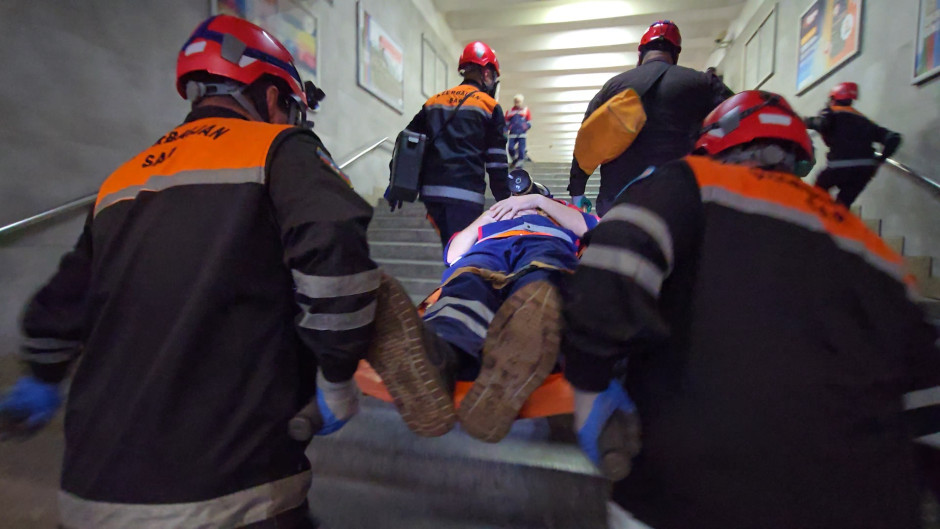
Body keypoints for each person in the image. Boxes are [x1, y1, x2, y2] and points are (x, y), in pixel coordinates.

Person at [0, 15, 377, 528]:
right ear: (270, 96)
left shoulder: (123, 179)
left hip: (92, 493)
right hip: (230, 491)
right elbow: (335, 254)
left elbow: (61, 305)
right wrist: (336, 375)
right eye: (290, 108)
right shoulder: (280, 150)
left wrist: (43, 374)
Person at [563, 90, 939, 529]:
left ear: (713, 142)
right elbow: (929, 402)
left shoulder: (690, 181)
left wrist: (589, 384)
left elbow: (610, 271)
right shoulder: (879, 254)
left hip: (687, 491)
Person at [368, 170, 598, 442]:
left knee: (541, 287)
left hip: (544, 247)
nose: (517, 202)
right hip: (486, 252)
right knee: (466, 284)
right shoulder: (493, 217)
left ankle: (518, 348)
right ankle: (439, 358)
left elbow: (593, 229)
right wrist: (489, 216)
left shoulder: (557, 210)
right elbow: (453, 255)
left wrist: (540, 202)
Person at [568, 20, 732, 216]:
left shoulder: (613, 86)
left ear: (641, 53)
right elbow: (738, 118)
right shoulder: (702, 83)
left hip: (619, 202)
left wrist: (577, 191)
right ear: (675, 54)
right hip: (679, 201)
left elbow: (587, 140)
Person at [399, 41, 511, 247]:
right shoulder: (489, 106)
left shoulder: (434, 101)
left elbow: (407, 141)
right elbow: (496, 162)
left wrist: (397, 184)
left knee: (450, 247)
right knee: (462, 254)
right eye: (493, 76)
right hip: (466, 196)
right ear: (486, 73)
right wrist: (506, 200)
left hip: (432, 195)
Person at [805, 81, 902, 207]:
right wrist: (880, 160)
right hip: (864, 169)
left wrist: (805, 121)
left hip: (839, 165)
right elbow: (893, 138)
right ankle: (837, 216)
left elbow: (822, 124)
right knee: (842, 206)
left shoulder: (831, 112)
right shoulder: (865, 120)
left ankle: (814, 214)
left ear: (834, 98)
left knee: (817, 193)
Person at [505, 93, 532, 168]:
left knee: (521, 149)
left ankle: (520, 163)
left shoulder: (525, 110)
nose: (517, 103)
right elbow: (506, 123)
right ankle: (515, 159)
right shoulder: (510, 111)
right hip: (512, 133)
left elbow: (529, 122)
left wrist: (524, 127)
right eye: (516, 101)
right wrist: (506, 130)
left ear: (522, 102)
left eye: (519, 101)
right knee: (510, 148)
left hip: (522, 134)